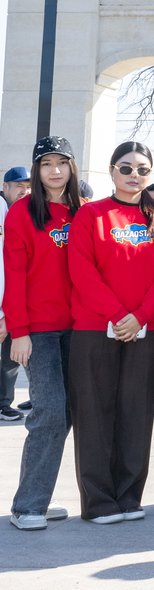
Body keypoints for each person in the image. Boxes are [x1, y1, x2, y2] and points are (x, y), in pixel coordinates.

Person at [68, 141, 154, 524]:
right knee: (94, 412)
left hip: (146, 329)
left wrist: (141, 317)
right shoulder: (91, 215)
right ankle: (98, 501)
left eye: (142, 169)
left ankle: (129, 496)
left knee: (136, 412)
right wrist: (119, 316)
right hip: (95, 327)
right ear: (112, 170)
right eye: (126, 168)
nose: (134, 175)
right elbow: (82, 269)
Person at [5, 137, 82, 530]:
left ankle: (38, 494)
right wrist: (19, 331)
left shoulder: (83, 210)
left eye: (62, 163)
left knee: (65, 413)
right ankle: (27, 507)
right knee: (49, 410)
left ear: (72, 168)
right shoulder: (22, 212)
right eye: (46, 163)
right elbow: (14, 276)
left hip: (80, 327)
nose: (55, 170)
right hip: (39, 330)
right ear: (36, 170)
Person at [0, 165, 33, 421]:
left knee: (11, 358)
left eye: (28, 187)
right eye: (19, 186)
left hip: (16, 302)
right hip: (4, 302)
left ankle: (3, 403)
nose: (24, 191)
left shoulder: (25, 212)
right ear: (5, 187)